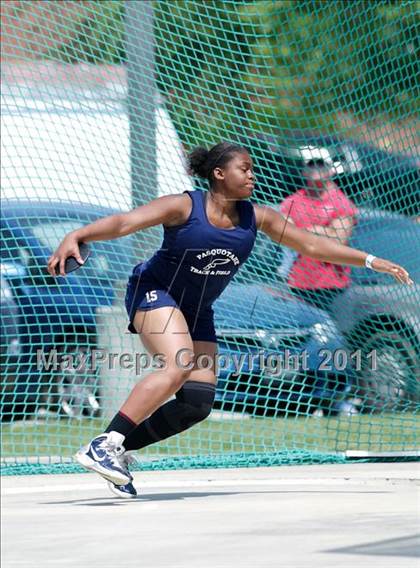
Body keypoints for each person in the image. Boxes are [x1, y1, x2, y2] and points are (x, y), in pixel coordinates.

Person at [47, 141, 413, 498]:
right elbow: (125, 222)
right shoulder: (183, 206)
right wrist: (78, 234)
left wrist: (369, 260)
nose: (252, 175)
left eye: (252, 168)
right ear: (219, 174)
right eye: (245, 168)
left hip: (197, 308)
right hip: (155, 291)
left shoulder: (259, 216)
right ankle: (106, 444)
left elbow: (312, 246)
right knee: (177, 364)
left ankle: (121, 448)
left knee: (196, 403)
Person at [280, 154, 359, 311]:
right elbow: (285, 235)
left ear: (331, 170)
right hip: (297, 283)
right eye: (311, 165)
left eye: (321, 165)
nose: (316, 169)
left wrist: (306, 232)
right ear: (303, 170)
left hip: (331, 287)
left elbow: (338, 240)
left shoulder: (340, 202)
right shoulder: (292, 201)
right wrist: (323, 231)